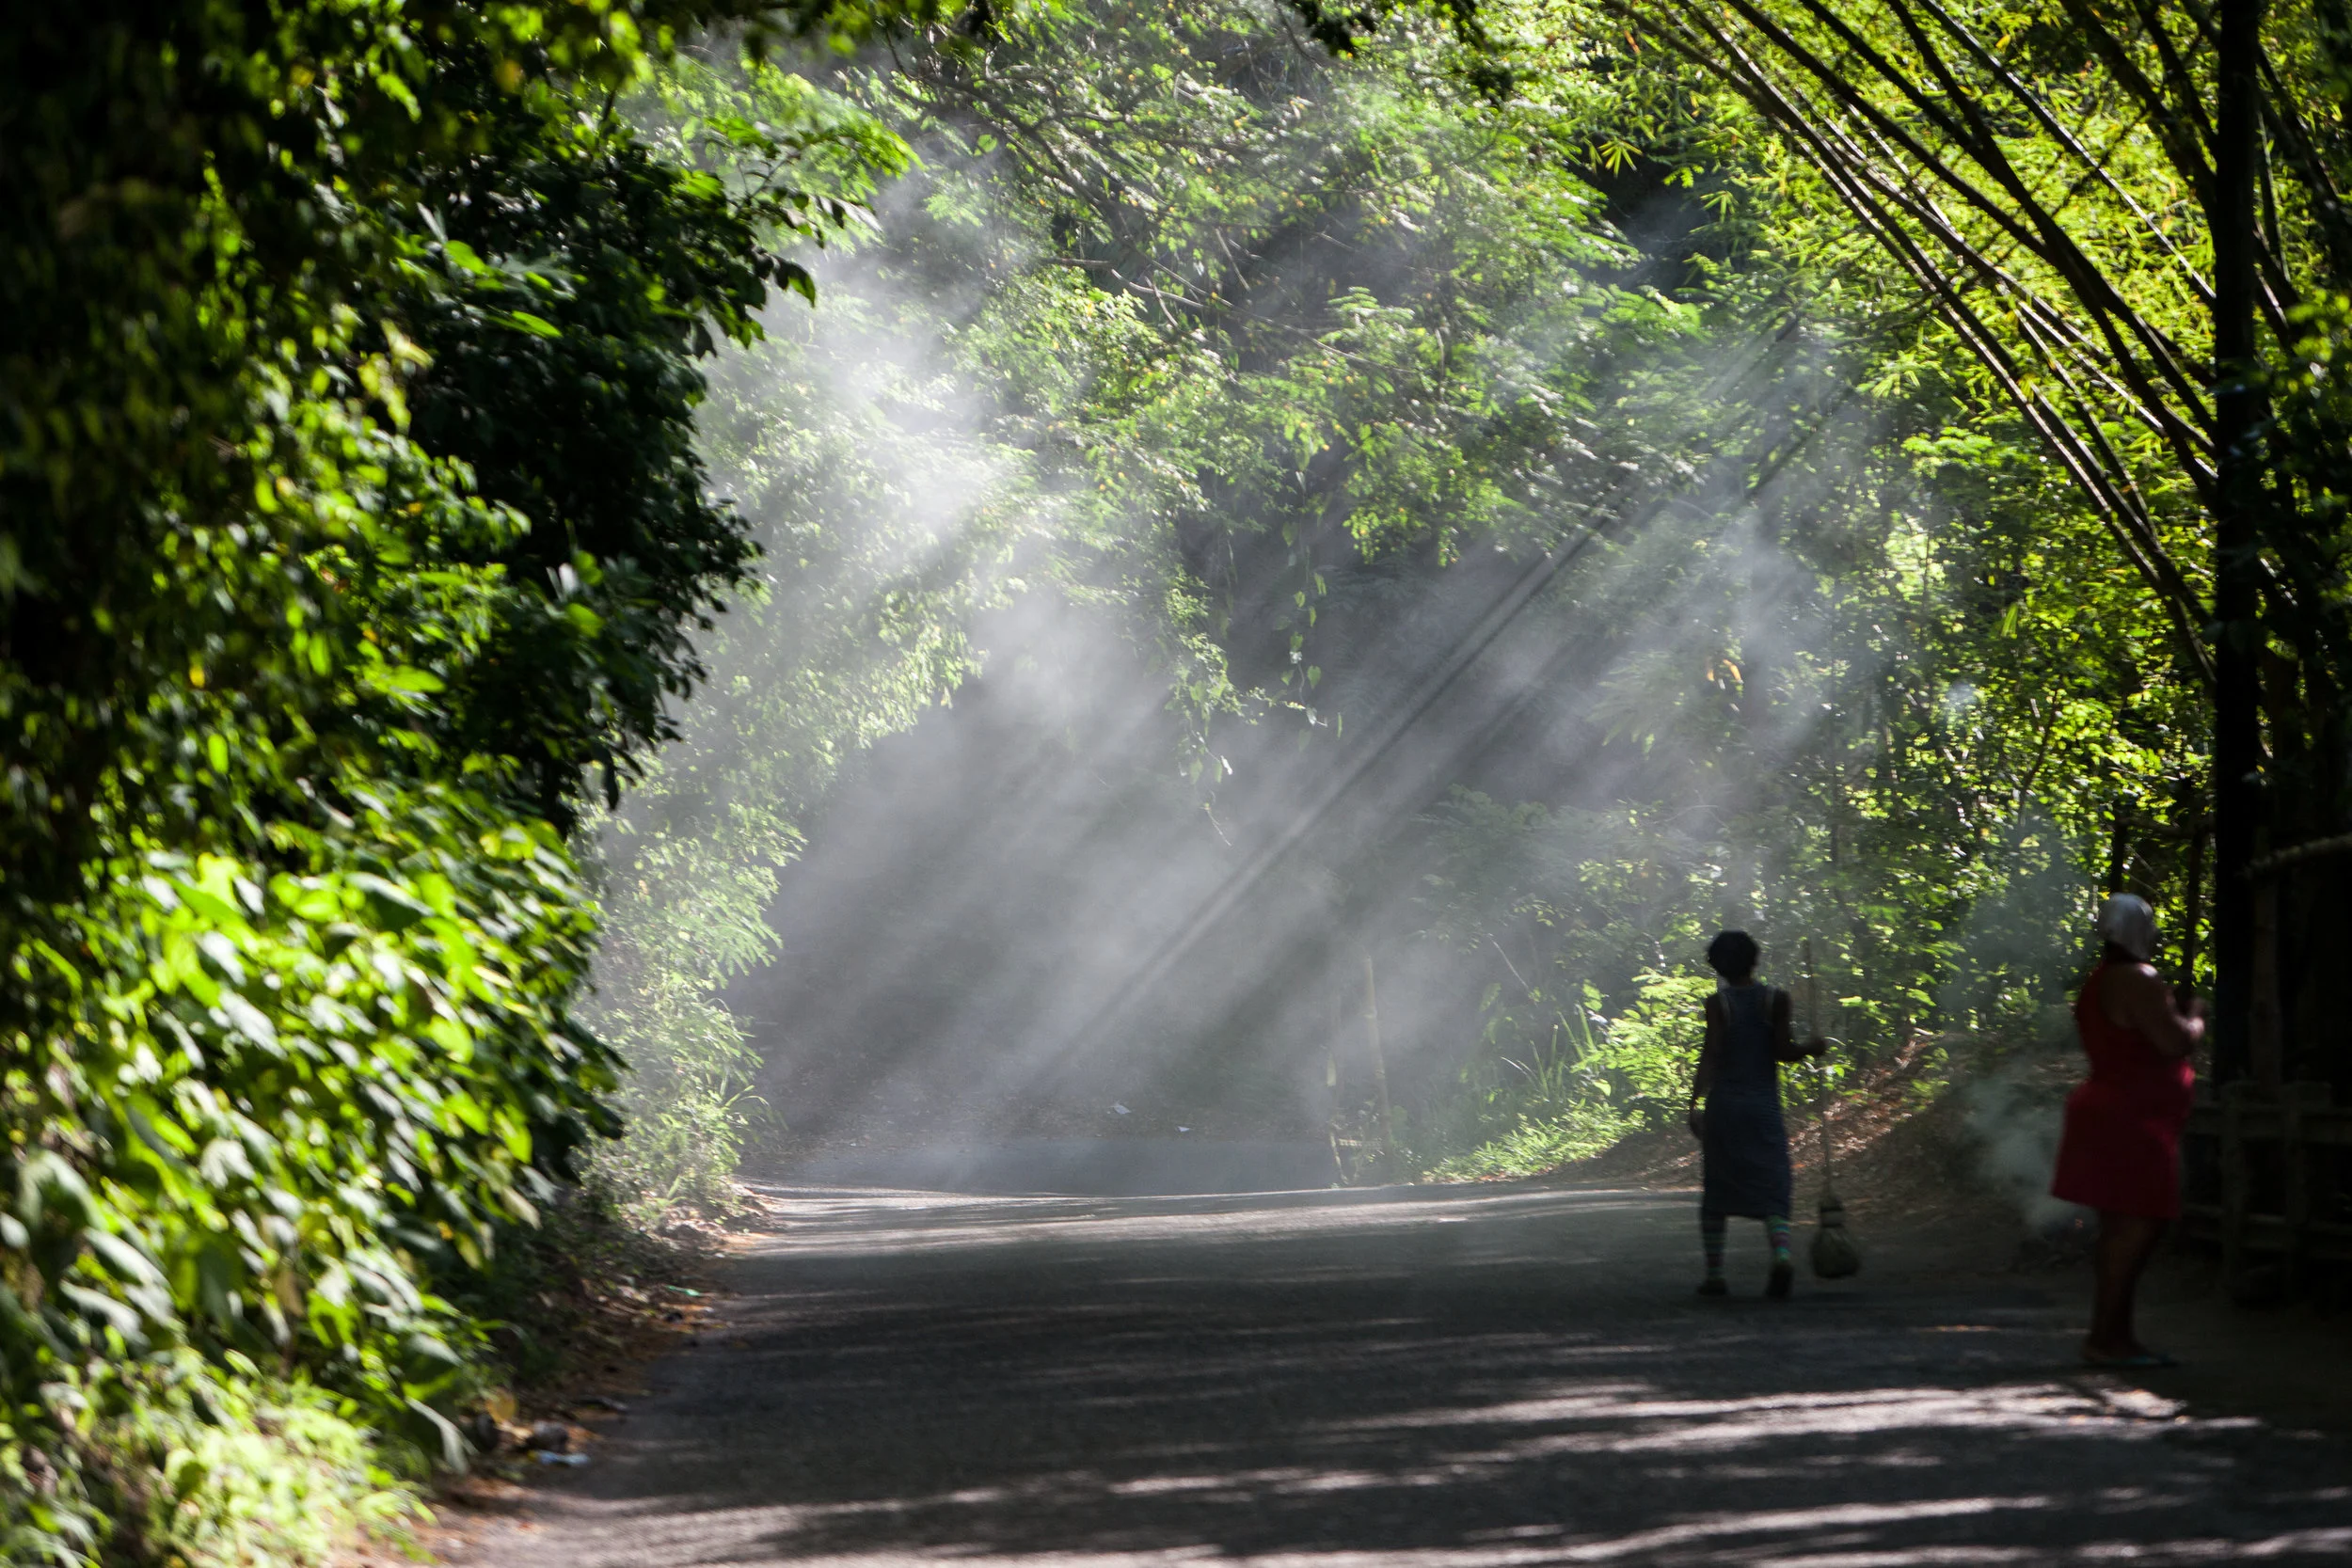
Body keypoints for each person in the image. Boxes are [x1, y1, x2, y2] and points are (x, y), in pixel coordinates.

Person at [2050, 893, 2204, 1369]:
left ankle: (2113, 1335)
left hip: (2118, 1113)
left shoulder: (2101, 981)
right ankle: (2107, 1339)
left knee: (2125, 1227)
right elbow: (2173, 1040)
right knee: (2135, 1226)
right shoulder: (2138, 978)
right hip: (2130, 1119)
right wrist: (2197, 1015)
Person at [1686, 930, 1826, 1298]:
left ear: (1718, 966)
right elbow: (1782, 1050)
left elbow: (1712, 1054)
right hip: (1763, 1108)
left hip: (1725, 1108)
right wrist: (1811, 1048)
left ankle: (1715, 1274)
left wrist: (1695, 1103)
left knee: (1717, 1188)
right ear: (1755, 960)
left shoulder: (1718, 1004)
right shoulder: (1775, 1000)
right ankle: (1781, 1254)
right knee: (1773, 1183)